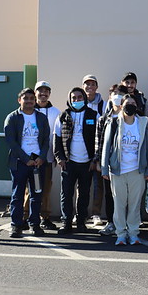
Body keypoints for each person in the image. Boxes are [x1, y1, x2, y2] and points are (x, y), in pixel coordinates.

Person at [101, 95, 148, 246]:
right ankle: (120, 234)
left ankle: (133, 233)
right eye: (127, 103)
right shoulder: (114, 122)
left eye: (133, 103)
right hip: (118, 170)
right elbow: (106, 145)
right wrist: (104, 167)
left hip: (137, 170)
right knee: (119, 204)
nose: (130, 105)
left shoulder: (143, 122)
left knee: (134, 204)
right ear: (121, 105)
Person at [54, 87, 100, 235]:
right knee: (66, 194)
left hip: (87, 163)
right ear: (70, 100)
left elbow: (99, 139)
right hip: (69, 162)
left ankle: (81, 222)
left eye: (79, 97)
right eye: (74, 98)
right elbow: (57, 139)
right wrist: (60, 158)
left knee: (84, 194)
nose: (77, 100)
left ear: (84, 99)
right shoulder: (63, 116)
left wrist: (95, 160)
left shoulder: (94, 115)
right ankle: (66, 222)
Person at [4, 88, 50, 238]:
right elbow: (11, 142)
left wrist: (41, 157)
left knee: (37, 194)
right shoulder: (12, 118)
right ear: (19, 100)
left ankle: (34, 224)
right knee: (17, 195)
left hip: (37, 163)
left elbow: (46, 140)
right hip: (20, 163)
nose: (29, 101)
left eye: (31, 98)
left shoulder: (41, 118)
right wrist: (26, 159)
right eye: (26, 98)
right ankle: (16, 225)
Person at [94, 84, 128, 236]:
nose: (117, 97)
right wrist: (99, 161)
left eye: (120, 94)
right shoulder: (103, 119)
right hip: (109, 164)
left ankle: (126, 223)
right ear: (110, 97)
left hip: (127, 163)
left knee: (126, 195)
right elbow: (98, 142)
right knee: (110, 194)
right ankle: (111, 223)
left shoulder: (130, 118)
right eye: (114, 94)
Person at [30, 81, 61, 230]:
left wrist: (56, 155)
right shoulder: (29, 110)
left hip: (47, 157)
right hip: (30, 158)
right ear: (35, 93)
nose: (43, 94)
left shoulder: (56, 112)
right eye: (40, 91)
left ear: (49, 93)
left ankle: (45, 217)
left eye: (46, 91)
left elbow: (57, 135)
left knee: (46, 188)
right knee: (30, 189)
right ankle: (26, 216)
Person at [82, 74, 106, 226]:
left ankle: (96, 214)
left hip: (98, 150)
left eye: (93, 84)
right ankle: (81, 213)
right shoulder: (78, 102)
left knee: (98, 185)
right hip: (81, 152)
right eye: (87, 84)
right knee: (82, 185)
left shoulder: (103, 105)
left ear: (97, 86)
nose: (90, 87)